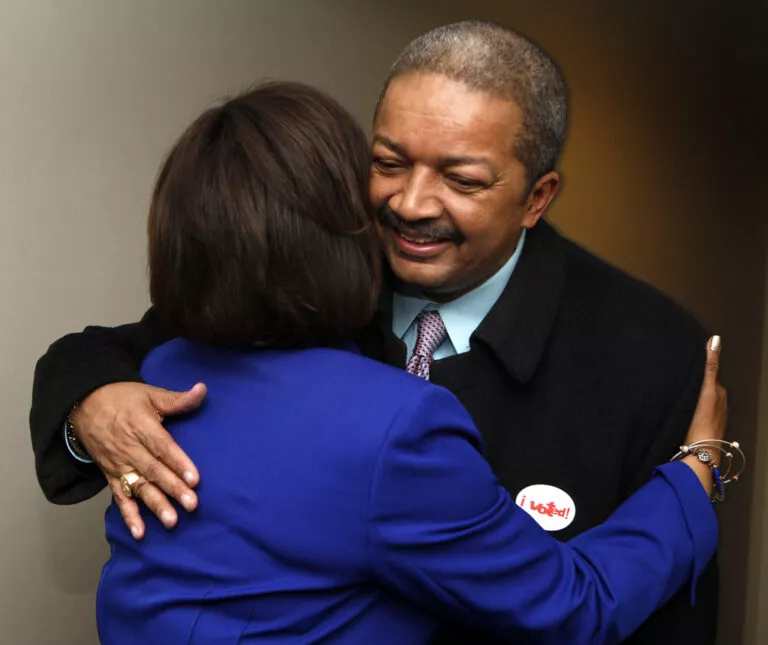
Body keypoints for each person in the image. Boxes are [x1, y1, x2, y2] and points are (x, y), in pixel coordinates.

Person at [30, 21, 721, 644]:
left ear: (535, 198)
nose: (411, 204)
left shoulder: (648, 351)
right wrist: (94, 402)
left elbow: (648, 613)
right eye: (388, 163)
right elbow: (113, 349)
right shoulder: (292, 284)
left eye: (461, 180)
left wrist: (695, 478)